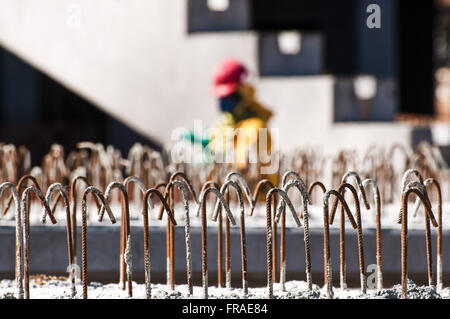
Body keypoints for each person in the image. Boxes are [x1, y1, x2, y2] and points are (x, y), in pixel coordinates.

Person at [182, 58, 276, 183]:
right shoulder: (221, 125)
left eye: (229, 95)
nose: (224, 100)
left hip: (250, 199)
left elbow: (243, 166)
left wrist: (217, 159)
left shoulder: (256, 128)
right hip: (224, 198)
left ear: (245, 91)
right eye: (221, 97)